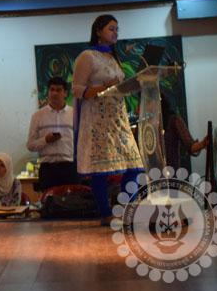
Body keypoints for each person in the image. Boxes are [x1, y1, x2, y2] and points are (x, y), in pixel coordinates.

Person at [72, 14, 143, 225]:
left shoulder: (113, 57)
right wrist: (105, 87)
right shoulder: (87, 56)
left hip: (118, 119)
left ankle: (126, 210)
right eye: (111, 29)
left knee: (135, 166)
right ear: (98, 31)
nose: (115, 33)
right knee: (100, 169)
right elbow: (77, 90)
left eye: (117, 29)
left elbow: (118, 86)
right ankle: (105, 213)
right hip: (97, 120)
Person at [26, 76, 77, 191]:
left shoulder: (74, 114)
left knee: (73, 201)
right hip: (48, 169)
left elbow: (81, 141)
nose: (54, 93)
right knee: (49, 201)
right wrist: (45, 140)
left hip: (69, 167)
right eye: (52, 90)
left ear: (65, 93)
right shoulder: (38, 116)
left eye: (58, 90)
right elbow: (30, 145)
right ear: (48, 92)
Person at [161, 97, 208, 173]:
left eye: (148, 102)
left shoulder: (173, 120)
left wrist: (202, 144)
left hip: (171, 174)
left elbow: (190, 146)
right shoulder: (147, 125)